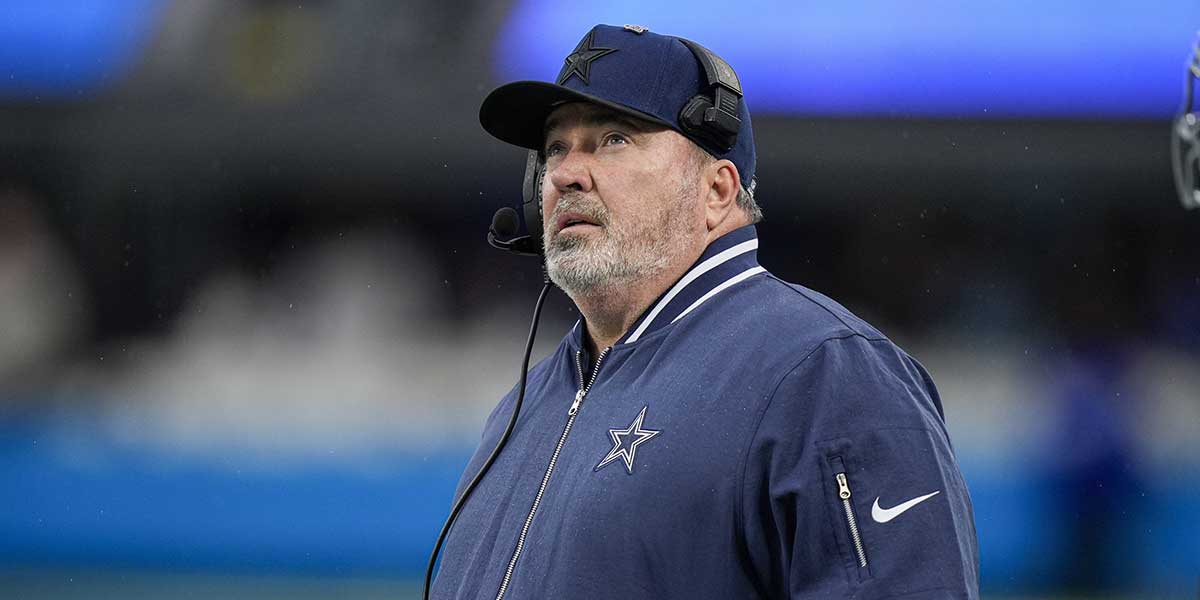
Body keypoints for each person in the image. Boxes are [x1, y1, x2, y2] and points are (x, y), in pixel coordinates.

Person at [431, 24, 979, 599]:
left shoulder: (827, 374)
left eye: (614, 139)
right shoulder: (525, 403)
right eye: (554, 149)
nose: (565, 174)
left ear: (717, 191)